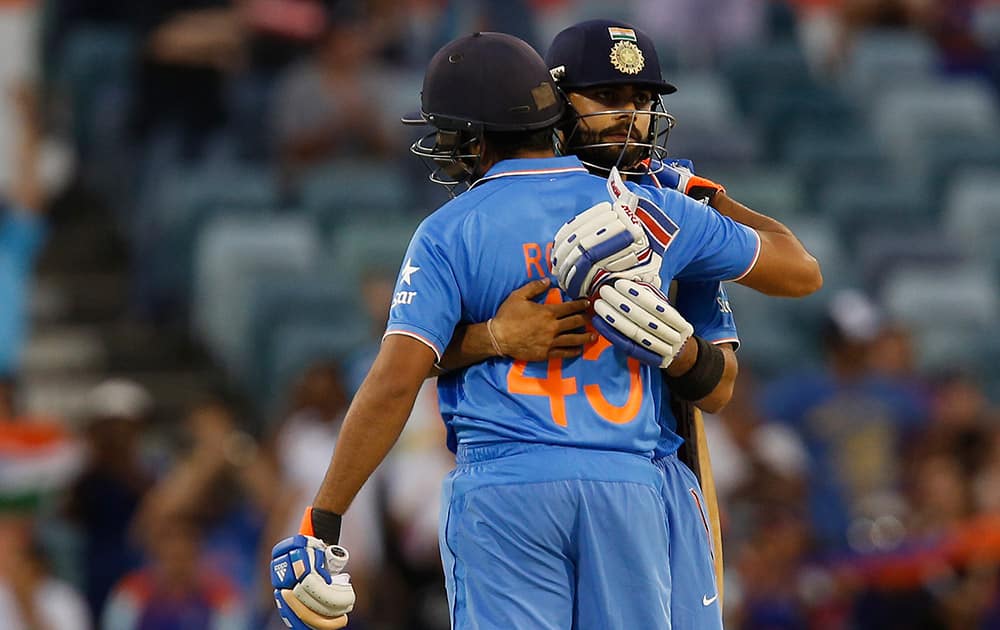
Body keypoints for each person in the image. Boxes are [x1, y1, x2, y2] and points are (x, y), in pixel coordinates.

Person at [271, 31, 818, 630]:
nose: (629, 116)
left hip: (506, 486)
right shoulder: (652, 208)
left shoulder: (448, 229)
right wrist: (705, 199)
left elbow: (394, 380)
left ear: (473, 137)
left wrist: (322, 517)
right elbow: (800, 272)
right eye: (609, 95)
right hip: (630, 486)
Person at [433, 18, 822, 629]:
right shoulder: (491, 202)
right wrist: (495, 338)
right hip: (519, 473)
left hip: (650, 474)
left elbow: (730, 375)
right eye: (609, 98)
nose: (632, 116)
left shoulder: (661, 213)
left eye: (643, 100)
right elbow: (409, 355)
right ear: (554, 103)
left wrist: (707, 202)